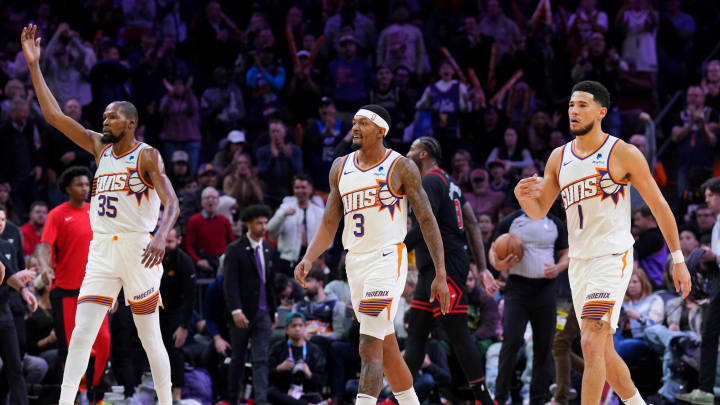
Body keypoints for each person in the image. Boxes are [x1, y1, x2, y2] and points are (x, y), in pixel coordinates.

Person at [22, 24, 181, 405]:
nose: (104, 121)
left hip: (138, 250)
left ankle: (165, 401)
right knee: (81, 332)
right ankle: (65, 401)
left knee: (148, 336)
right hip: (102, 251)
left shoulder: (146, 155)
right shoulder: (99, 147)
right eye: (104, 117)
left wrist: (161, 235)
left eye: (111, 118)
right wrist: (34, 67)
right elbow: (54, 115)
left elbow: (173, 202)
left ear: (130, 123)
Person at [513, 80, 691, 405]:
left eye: (582, 105)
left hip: (612, 257)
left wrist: (678, 259)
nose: (574, 111)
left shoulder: (622, 153)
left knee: (591, 342)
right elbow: (539, 211)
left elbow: (659, 206)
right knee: (603, 352)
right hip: (579, 263)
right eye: (570, 105)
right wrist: (522, 198)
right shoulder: (558, 157)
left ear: (601, 111)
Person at [294, 104, 451, 405]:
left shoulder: (401, 166)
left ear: (381, 131)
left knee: (368, 345)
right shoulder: (340, 166)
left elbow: (427, 219)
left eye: (363, 123)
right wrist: (308, 257)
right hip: (356, 263)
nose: (355, 127)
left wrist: (440, 273)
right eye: (353, 122)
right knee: (388, 351)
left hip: (387, 259)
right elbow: (329, 221)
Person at [403, 136, 496, 405]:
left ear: (423, 154)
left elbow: (425, 224)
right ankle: (401, 398)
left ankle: (483, 399)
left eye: (411, 150)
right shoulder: (450, 183)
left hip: (446, 265)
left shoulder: (431, 180)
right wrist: (482, 268)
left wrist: (394, 247)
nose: (406, 155)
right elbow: (473, 224)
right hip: (432, 266)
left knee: (457, 333)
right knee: (418, 332)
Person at [36, 166, 111, 397]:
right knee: (73, 347)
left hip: (96, 289)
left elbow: (109, 247)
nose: (85, 188)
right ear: (68, 189)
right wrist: (46, 267)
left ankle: (94, 387)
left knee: (104, 341)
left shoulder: (97, 211)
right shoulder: (57, 214)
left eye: (87, 184)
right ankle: (76, 394)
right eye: (79, 184)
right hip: (67, 291)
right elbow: (44, 246)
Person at [223, 204, 280, 405]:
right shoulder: (234, 249)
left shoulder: (268, 249)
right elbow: (230, 283)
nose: (263, 227)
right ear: (248, 224)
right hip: (242, 312)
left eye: (265, 222)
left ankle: (261, 400)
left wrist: (274, 311)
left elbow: (270, 283)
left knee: (261, 359)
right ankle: (232, 399)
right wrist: (235, 310)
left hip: (263, 312)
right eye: (259, 223)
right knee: (238, 358)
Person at [675, 177, 720, 404]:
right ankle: (706, 391)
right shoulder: (717, 225)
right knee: (709, 336)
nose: (707, 201)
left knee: (710, 337)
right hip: (718, 287)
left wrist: (715, 256)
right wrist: (707, 261)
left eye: (711, 196)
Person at [268, 174, 325, 273]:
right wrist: (283, 215)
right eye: (297, 188)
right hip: (287, 260)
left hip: (311, 261)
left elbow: (326, 237)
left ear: (310, 189)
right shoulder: (285, 208)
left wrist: (320, 257)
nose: (300, 191)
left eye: (303, 187)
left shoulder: (319, 212)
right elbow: (270, 229)